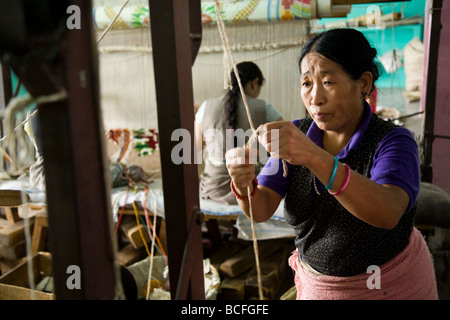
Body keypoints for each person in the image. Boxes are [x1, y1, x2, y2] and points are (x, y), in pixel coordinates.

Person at [225, 29, 437, 300]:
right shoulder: (294, 136)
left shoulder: (393, 141)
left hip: (392, 286)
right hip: (322, 288)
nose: (315, 98)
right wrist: (245, 185)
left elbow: (388, 212)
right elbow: (261, 208)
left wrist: (314, 156)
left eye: (327, 82)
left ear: (363, 83)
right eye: (306, 84)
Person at [195, 61, 282, 205]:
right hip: (254, 189)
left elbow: (196, 147)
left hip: (214, 189)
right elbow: (285, 148)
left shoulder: (205, 107)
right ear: (254, 83)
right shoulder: (264, 109)